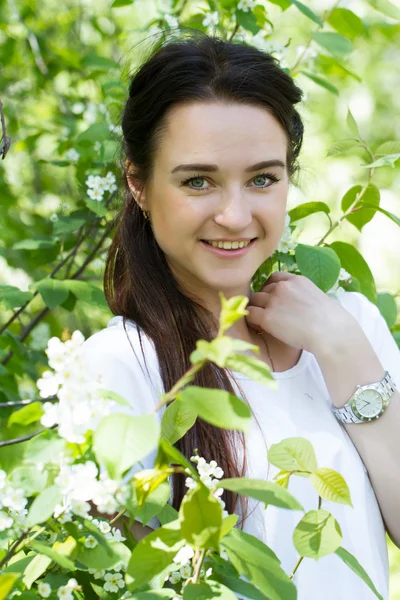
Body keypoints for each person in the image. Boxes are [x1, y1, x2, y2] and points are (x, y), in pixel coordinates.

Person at [81, 31, 400, 600]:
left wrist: (342, 350)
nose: (234, 215)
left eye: (262, 179)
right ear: (138, 183)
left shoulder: (348, 324)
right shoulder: (121, 367)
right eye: (198, 181)